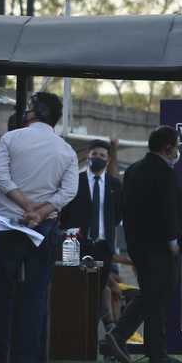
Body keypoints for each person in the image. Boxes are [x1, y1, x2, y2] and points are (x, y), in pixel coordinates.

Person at [0, 92, 79, 363]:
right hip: (44, 226)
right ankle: (28, 360)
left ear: (32, 113)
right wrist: (40, 212)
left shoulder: (11, 139)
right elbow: (69, 191)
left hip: (7, 224)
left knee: (2, 292)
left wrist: (26, 204)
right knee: (36, 294)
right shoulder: (66, 151)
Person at [101, 125, 182, 363]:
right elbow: (167, 209)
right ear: (168, 147)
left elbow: (124, 207)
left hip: (137, 244)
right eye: (177, 146)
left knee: (153, 295)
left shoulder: (133, 170)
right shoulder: (164, 172)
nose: (178, 150)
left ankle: (155, 351)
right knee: (156, 294)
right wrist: (173, 240)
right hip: (160, 245)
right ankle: (121, 335)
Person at [60, 139, 132, 330]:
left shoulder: (115, 185)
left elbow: (117, 215)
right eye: (94, 154)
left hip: (103, 245)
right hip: (74, 243)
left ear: (108, 160)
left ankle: (88, 335)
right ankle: (70, 330)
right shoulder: (75, 181)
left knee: (97, 290)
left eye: (102, 155)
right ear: (88, 157)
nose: (97, 158)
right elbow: (64, 213)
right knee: (72, 286)